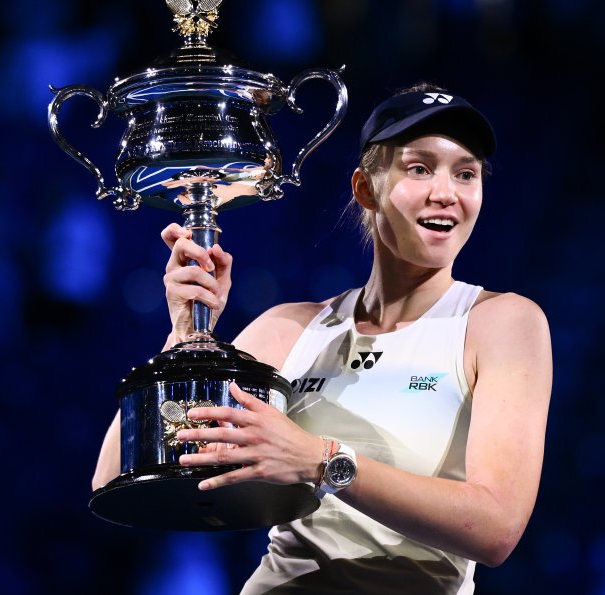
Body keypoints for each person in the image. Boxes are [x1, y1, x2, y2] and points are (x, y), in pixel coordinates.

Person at [92, 83, 553, 594]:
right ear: (366, 188)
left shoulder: (501, 323)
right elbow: (114, 475)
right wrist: (184, 335)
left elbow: (496, 529)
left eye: (465, 173)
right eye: (419, 168)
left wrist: (321, 459)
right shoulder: (290, 329)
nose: (446, 192)